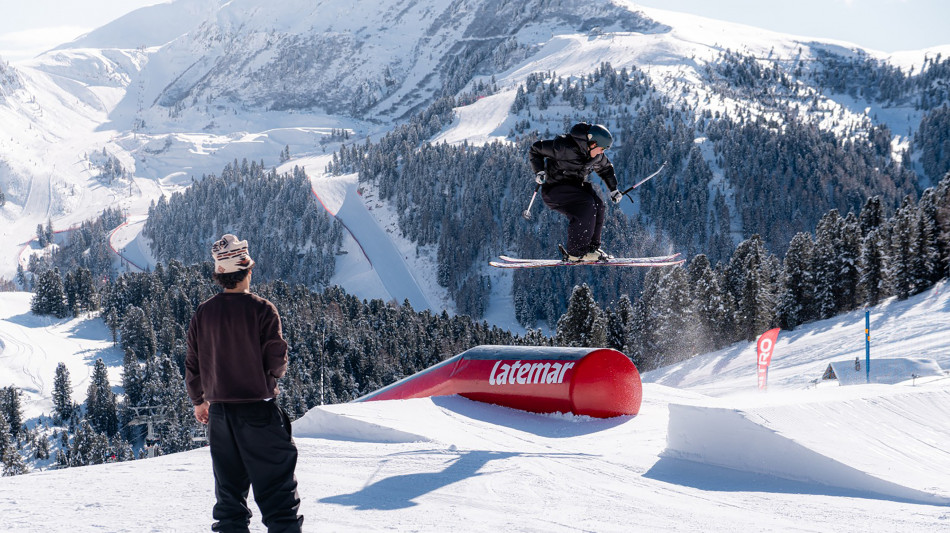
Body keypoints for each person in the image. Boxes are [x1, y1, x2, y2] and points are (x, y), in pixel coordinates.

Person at [186, 234, 303, 533]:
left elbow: (193, 361)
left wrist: (199, 400)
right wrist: (271, 375)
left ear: (219, 275)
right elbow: (276, 362)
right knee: (278, 498)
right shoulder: (263, 309)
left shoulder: (204, 312)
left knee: (229, 502)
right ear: (248, 270)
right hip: (258, 414)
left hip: (220, 416)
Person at [529, 122, 622, 261]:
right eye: (601, 148)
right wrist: (539, 171)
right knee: (587, 204)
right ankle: (576, 252)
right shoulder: (564, 147)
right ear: (592, 143)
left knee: (598, 205)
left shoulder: (595, 155)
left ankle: (591, 248)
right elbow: (536, 149)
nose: (602, 152)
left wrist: (614, 189)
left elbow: (605, 168)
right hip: (554, 190)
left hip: (574, 188)